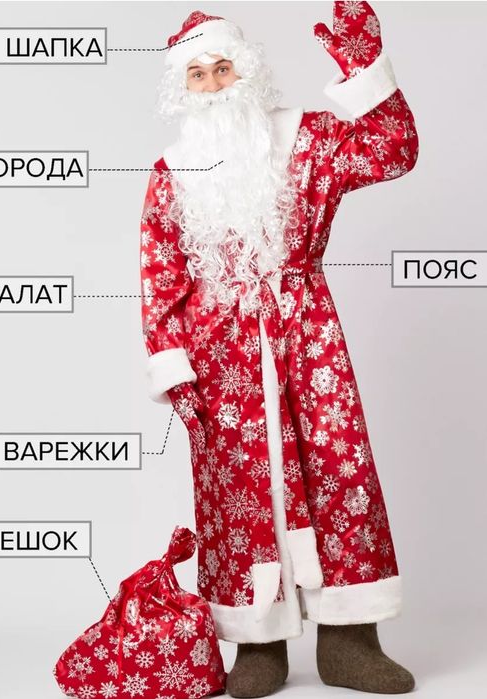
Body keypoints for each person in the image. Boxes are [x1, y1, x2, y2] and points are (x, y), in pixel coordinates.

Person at [140, 2, 419, 696]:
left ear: (249, 73)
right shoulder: (171, 171)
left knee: (338, 470)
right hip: (220, 354)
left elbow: (393, 151)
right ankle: (257, 645)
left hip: (307, 329)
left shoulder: (307, 139)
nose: (213, 84)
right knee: (240, 490)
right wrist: (175, 369)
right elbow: (160, 276)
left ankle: (350, 642)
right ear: (184, 88)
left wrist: (360, 63)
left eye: (223, 68)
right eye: (198, 74)